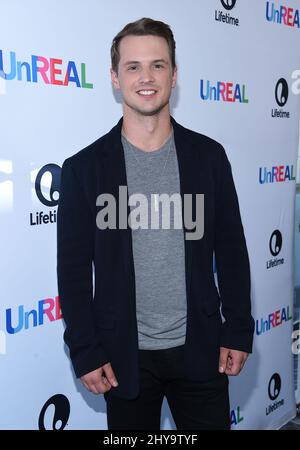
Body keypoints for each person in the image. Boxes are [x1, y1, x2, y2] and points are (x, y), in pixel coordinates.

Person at [57, 17, 254, 430]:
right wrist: (85, 349)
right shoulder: (83, 169)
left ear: (174, 74)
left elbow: (232, 252)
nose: (146, 77)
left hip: (201, 350)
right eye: (133, 67)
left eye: (158, 65)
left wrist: (237, 328)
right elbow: (73, 272)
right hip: (122, 357)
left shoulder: (209, 158)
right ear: (114, 77)